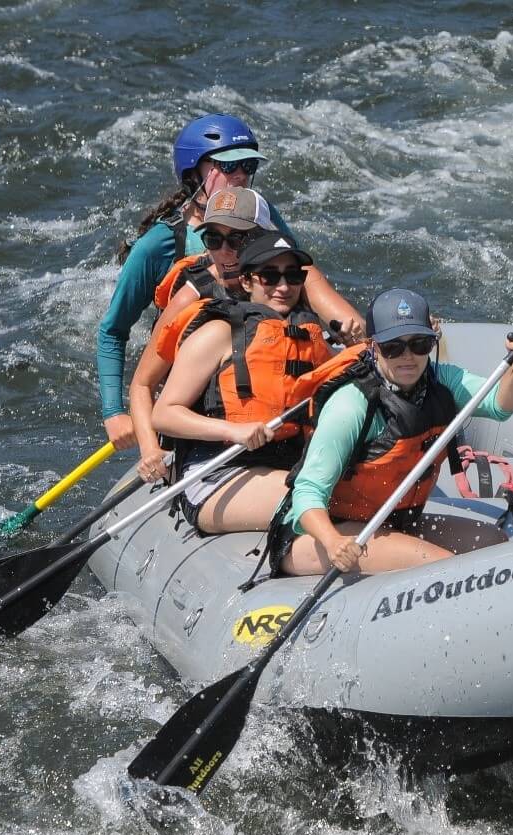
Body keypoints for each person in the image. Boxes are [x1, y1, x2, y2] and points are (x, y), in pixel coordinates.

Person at [96, 114, 363, 454]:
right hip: (199, 385)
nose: (240, 176)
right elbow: (112, 331)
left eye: (247, 165)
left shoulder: (262, 216)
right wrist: (115, 414)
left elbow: (311, 288)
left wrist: (371, 337)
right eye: (227, 166)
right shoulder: (160, 244)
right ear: (195, 173)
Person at [276, 290, 513, 577]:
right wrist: (333, 542)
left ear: (432, 342)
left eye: (419, 344)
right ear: (374, 347)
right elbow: (308, 491)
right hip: (323, 534)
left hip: (393, 522)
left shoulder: (442, 380)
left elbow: (501, 405)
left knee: (495, 543)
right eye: (393, 347)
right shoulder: (351, 404)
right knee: (445, 568)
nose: (408, 357)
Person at [151, 230, 337, 534]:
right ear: (247, 281)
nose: (283, 286)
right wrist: (234, 431)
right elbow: (163, 414)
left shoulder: (311, 339)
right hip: (218, 470)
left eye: (292, 276)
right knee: (321, 498)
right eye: (270, 276)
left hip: (283, 463)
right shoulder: (218, 333)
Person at [128, 186, 275, 483]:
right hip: (210, 443)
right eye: (213, 240)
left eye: (237, 238)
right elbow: (143, 384)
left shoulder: (286, 280)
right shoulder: (189, 299)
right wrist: (149, 450)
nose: (225, 251)